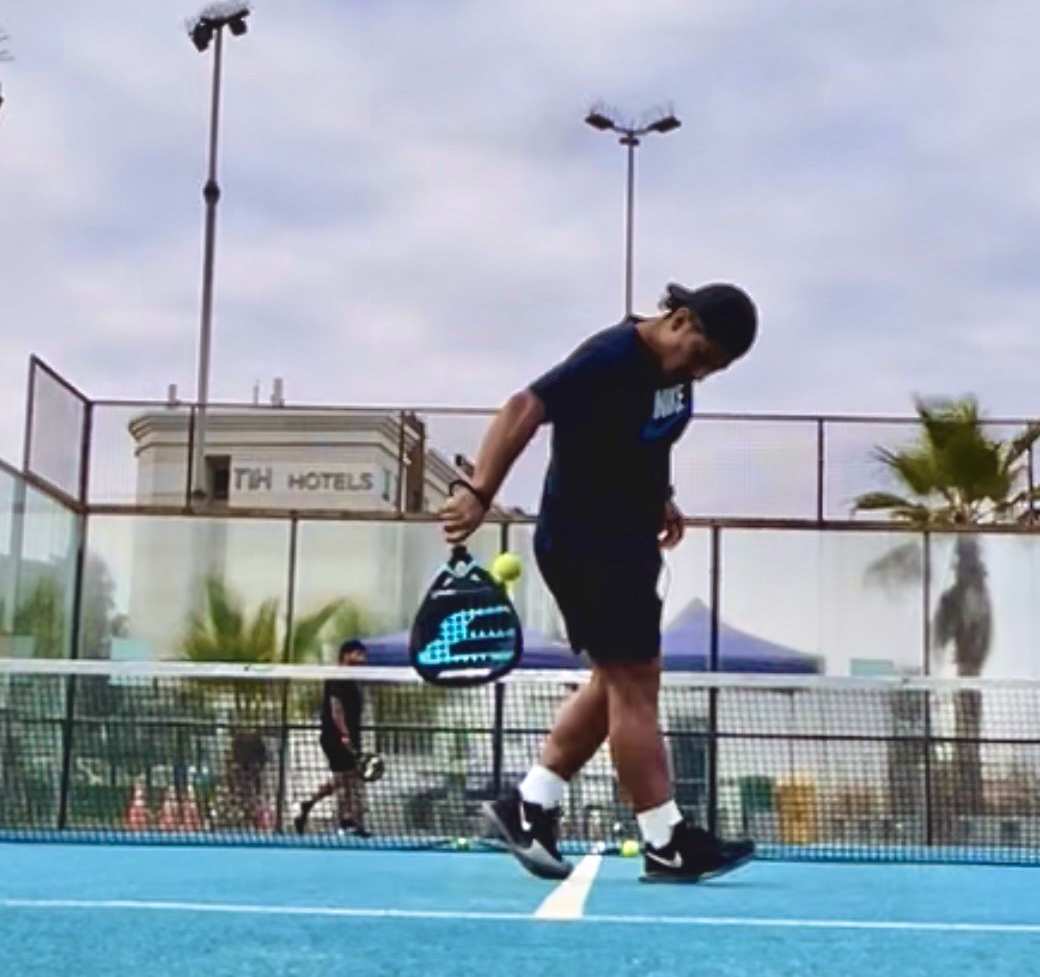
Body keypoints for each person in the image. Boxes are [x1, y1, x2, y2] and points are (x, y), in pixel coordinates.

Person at [441, 281, 758, 883]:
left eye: (713, 369)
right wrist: (480, 492)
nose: (700, 372)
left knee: (617, 679)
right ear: (680, 320)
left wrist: (660, 495)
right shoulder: (610, 356)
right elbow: (524, 406)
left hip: (625, 542)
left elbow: (647, 438)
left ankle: (529, 804)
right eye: (700, 356)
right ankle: (665, 840)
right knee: (635, 683)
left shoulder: (674, 373)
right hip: (586, 541)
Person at [294, 639, 370, 837]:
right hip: (335, 736)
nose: (363, 659)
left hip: (351, 736)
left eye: (363, 655)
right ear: (346, 655)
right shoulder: (337, 677)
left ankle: (310, 805)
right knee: (347, 777)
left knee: (346, 777)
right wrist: (344, 734)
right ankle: (347, 821)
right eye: (358, 654)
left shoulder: (354, 680)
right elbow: (336, 708)